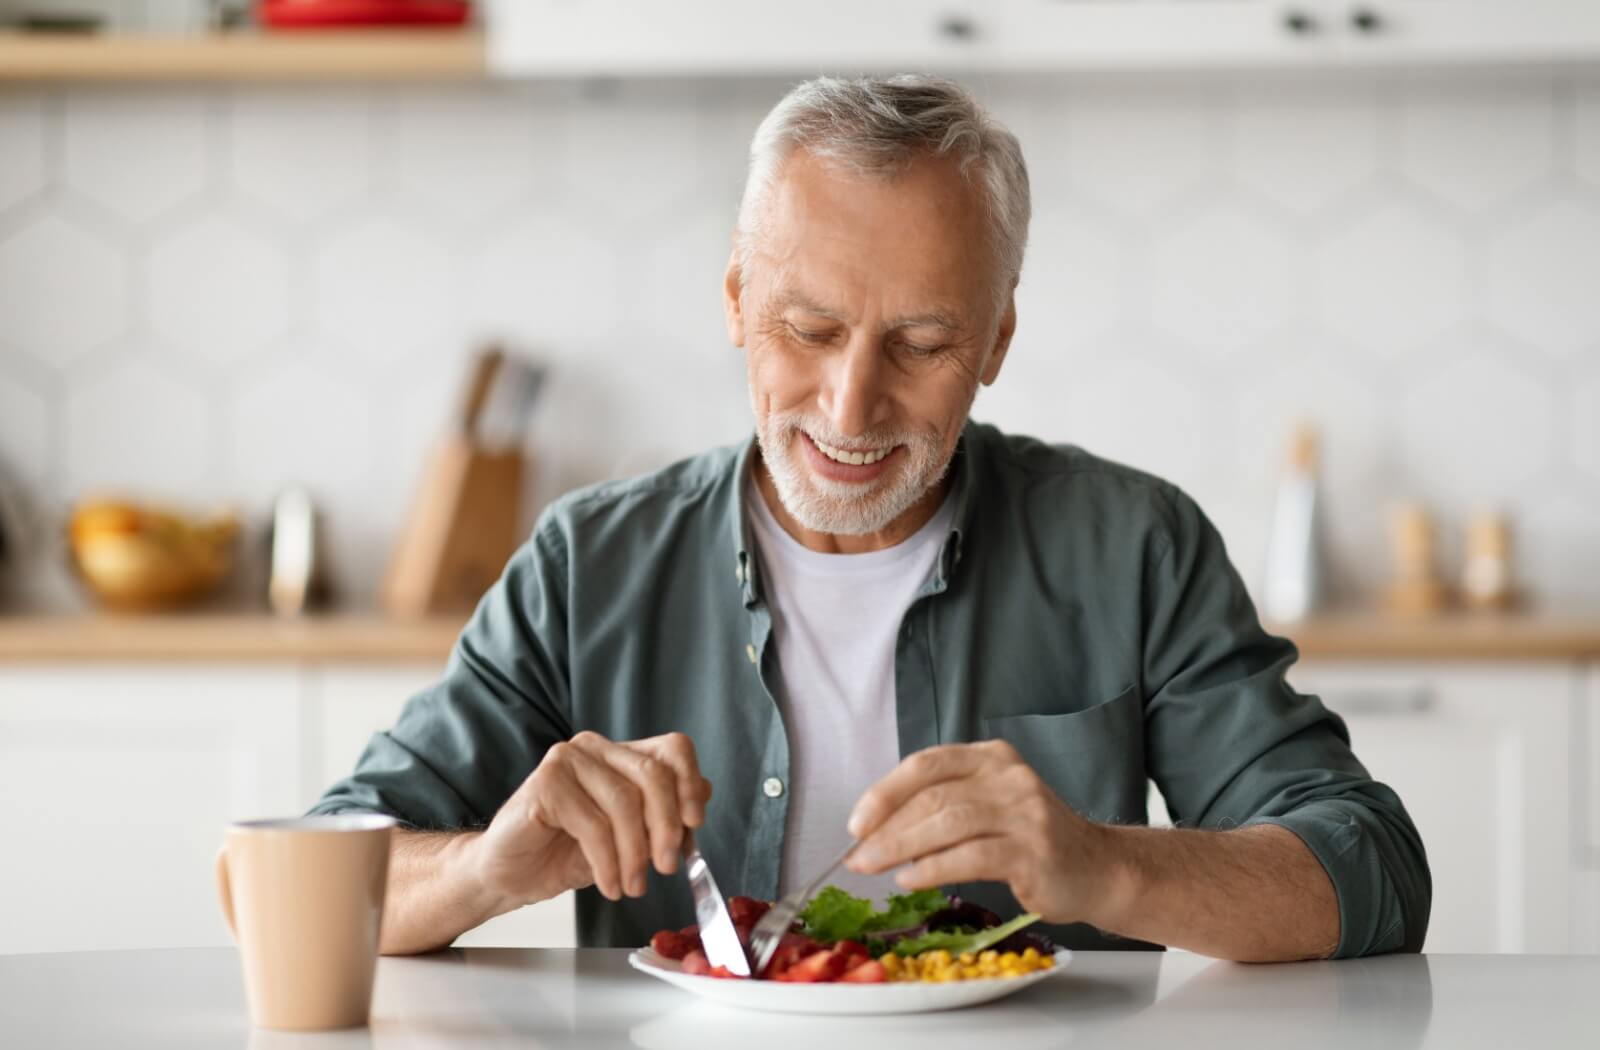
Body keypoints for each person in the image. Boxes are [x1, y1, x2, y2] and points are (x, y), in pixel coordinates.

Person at [310, 74, 1429, 963]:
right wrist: (484, 872)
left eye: (923, 344)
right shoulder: (588, 564)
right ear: (737, 301)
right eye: (807, 328)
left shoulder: (1133, 546)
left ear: (995, 342)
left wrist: (1105, 865)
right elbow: (296, 878)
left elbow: (1370, 867)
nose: (850, 406)